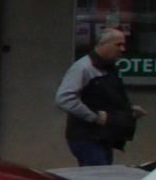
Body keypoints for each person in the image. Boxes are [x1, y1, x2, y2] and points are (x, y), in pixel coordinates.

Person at [58, 24, 138, 167]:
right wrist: (94, 117)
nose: (122, 49)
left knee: (102, 176)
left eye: (123, 45)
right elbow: (64, 99)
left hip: (103, 136)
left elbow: (107, 98)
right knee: (98, 178)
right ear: (103, 44)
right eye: (118, 44)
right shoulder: (84, 67)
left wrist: (128, 111)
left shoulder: (107, 67)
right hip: (88, 137)